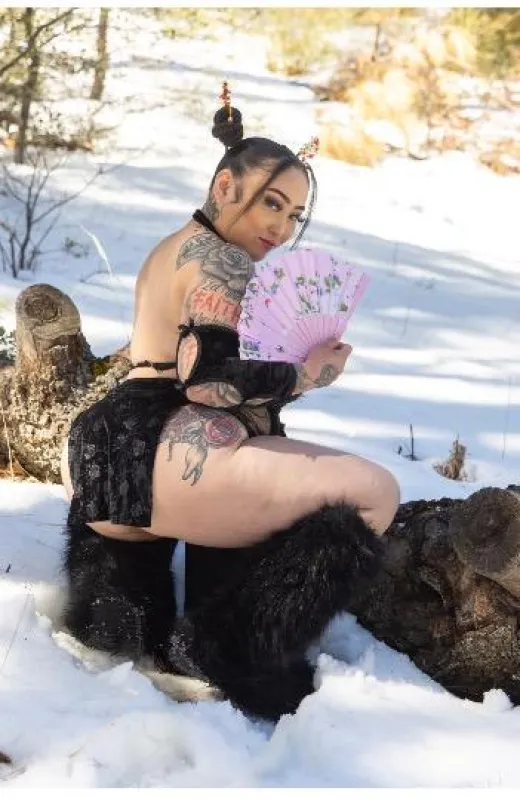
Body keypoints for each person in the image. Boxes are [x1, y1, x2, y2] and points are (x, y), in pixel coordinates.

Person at [60, 83, 400, 720]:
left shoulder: (170, 249)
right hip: (173, 448)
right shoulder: (224, 262)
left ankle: (115, 613)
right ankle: (228, 650)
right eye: (272, 203)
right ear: (225, 186)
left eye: (294, 215)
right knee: (375, 492)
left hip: (100, 455)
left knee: (250, 471)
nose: (281, 227)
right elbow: (206, 379)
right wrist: (305, 375)